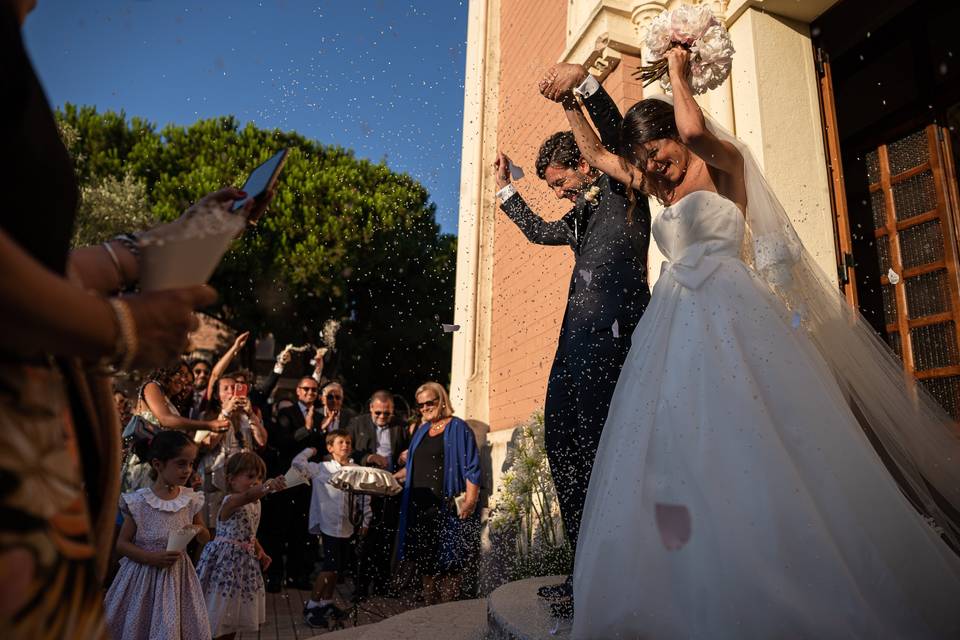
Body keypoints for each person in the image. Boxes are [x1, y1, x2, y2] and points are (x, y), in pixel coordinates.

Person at [548, 46, 960, 638]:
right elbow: (592, 153)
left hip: (730, 308)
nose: (653, 168)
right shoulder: (651, 183)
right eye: (642, 160)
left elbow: (691, 125)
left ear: (675, 134)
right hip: (671, 321)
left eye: (657, 152)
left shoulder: (722, 165)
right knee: (672, 442)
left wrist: (677, 73)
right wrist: (569, 99)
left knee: (758, 429)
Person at [493, 61, 651, 605]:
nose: (558, 194)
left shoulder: (622, 185)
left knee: (609, 454)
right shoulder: (579, 218)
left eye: (560, 182)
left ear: (582, 165)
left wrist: (582, 85)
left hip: (617, 341)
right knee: (566, 452)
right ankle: (583, 573)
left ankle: (619, 576)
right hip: (572, 349)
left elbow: (610, 133)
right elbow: (538, 231)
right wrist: (504, 191)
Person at [104, 431, 212, 640]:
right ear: (158, 464)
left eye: (191, 464)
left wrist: (198, 531)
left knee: (170, 628)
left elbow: (205, 537)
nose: (187, 470)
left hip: (177, 579)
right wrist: (150, 557)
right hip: (141, 578)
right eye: (181, 464)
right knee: (140, 626)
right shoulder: (140, 502)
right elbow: (122, 544)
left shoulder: (189, 499)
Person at [395, 382, 482, 605]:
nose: (425, 408)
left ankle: (446, 612)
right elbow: (414, 466)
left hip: (448, 506)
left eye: (429, 402)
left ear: (441, 400)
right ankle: (430, 610)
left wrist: (470, 500)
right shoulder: (422, 430)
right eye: (421, 405)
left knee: (450, 562)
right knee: (426, 562)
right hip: (419, 508)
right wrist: (390, 479)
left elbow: (472, 466)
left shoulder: (458, 427)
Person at [196, 451, 285, 640]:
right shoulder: (231, 501)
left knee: (233, 615)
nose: (256, 481)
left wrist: (261, 551)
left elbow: (250, 533)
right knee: (219, 612)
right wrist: (268, 485)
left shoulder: (256, 502)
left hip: (243, 564)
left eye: (260, 477)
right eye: (250, 476)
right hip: (224, 564)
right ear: (231, 479)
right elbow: (246, 496)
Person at [293, 431, 372, 629]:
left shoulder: (356, 469)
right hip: (329, 525)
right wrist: (309, 450)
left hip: (347, 526)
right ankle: (311, 606)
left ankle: (326, 603)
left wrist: (365, 521)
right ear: (330, 447)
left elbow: (365, 497)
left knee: (338, 568)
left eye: (348, 442)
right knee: (329, 566)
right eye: (340, 442)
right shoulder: (321, 468)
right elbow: (296, 463)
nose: (345, 445)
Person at [122, 363, 231, 492]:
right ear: (167, 371)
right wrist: (208, 425)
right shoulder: (152, 386)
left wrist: (190, 472)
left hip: (163, 468)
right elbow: (165, 419)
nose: (183, 381)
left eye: (188, 381)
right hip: (144, 463)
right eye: (181, 374)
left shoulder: (170, 401)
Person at [346, 390, 410, 596]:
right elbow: (347, 450)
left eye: (387, 413)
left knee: (386, 536)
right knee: (365, 538)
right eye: (378, 413)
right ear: (371, 409)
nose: (382, 417)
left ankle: (382, 584)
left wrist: (404, 456)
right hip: (366, 489)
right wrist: (369, 457)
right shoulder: (358, 424)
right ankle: (361, 586)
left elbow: (408, 449)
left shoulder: (400, 426)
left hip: (391, 487)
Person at [268, 376, 324, 590]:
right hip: (287, 477)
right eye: (306, 389)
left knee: (300, 530)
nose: (310, 393)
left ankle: (296, 575)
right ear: (298, 391)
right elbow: (283, 442)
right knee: (279, 528)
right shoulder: (286, 413)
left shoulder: (320, 416)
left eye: (314, 390)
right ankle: (274, 576)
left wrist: (319, 429)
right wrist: (306, 429)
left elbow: (320, 448)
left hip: (307, 482)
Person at [194, 375, 268, 532]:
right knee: (212, 530)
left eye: (233, 388)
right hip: (215, 479)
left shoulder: (246, 416)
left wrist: (251, 414)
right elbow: (206, 445)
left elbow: (262, 441)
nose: (231, 392)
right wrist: (226, 413)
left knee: (240, 527)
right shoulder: (207, 416)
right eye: (225, 389)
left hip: (242, 480)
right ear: (216, 395)